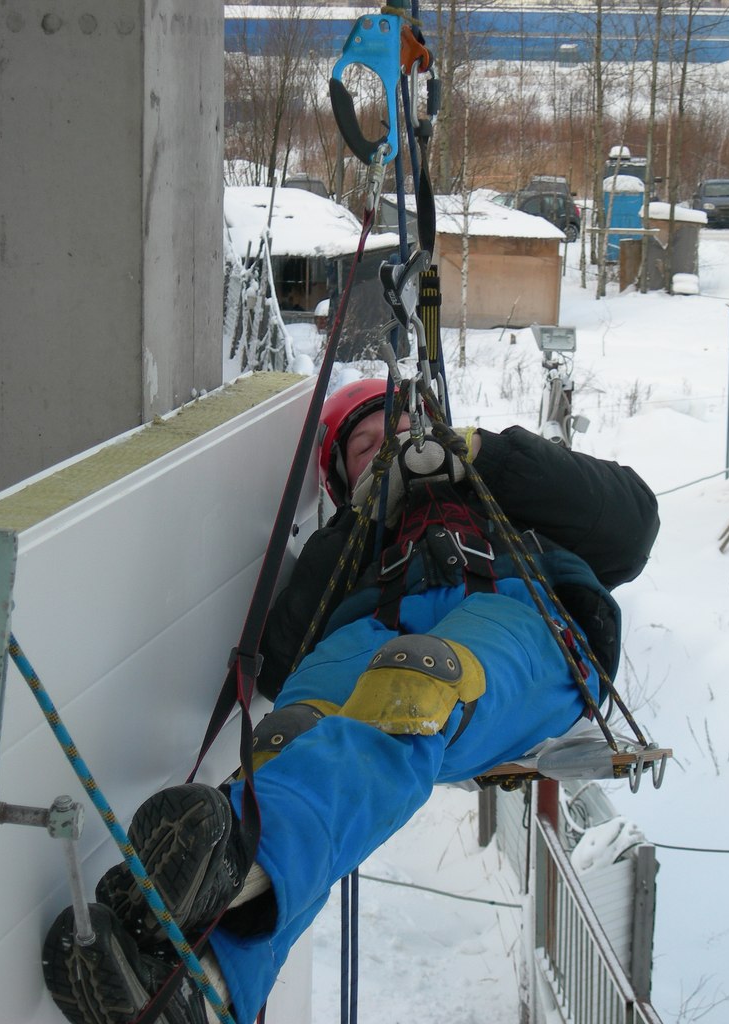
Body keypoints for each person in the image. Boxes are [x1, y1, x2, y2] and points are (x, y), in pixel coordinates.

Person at [42, 377, 660, 1024]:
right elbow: (283, 655)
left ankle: (234, 865)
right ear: (345, 481)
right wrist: (362, 517)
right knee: (289, 738)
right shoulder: (353, 548)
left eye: (400, 428)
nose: (389, 445)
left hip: (515, 613)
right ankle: (205, 980)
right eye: (364, 446)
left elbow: (631, 525)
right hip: (373, 631)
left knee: (414, 682)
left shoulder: (507, 496)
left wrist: (483, 455)